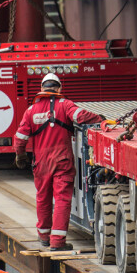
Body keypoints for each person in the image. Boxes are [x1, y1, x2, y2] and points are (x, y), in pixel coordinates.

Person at [13, 73, 104, 251]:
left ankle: (44, 237)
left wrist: (20, 156)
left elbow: (20, 138)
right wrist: (100, 119)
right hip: (62, 160)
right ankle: (57, 242)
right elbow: (81, 116)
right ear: (59, 88)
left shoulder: (31, 110)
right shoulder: (65, 105)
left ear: (42, 88)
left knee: (42, 198)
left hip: (41, 162)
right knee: (62, 199)